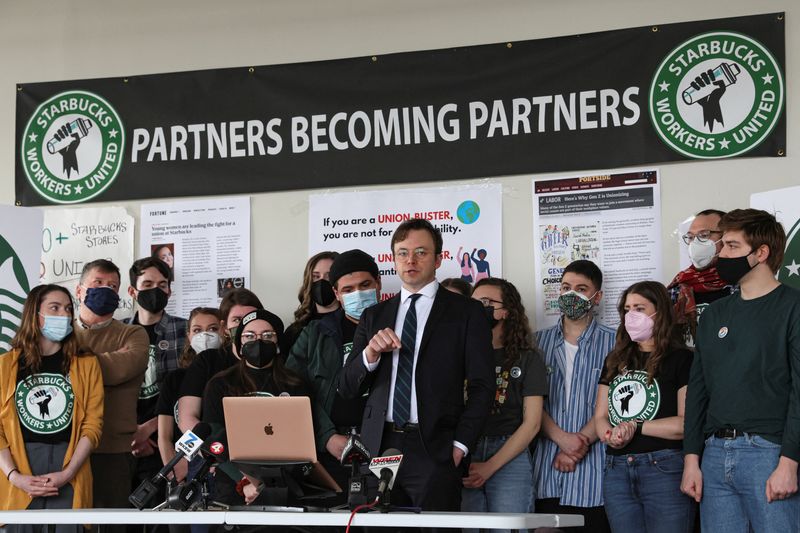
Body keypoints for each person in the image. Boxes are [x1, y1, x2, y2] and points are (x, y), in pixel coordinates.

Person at [339, 218, 494, 514]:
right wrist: (370, 353)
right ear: (393, 259)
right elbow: (346, 386)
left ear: (437, 259)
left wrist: (460, 445)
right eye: (402, 252)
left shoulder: (466, 311)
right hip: (380, 445)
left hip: (436, 447)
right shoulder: (374, 315)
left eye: (421, 252)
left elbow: (483, 386)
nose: (410, 260)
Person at [682, 208, 800, 531]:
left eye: (732, 246)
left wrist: (789, 462)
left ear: (761, 253)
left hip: (769, 453)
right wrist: (691, 458)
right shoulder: (714, 315)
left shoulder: (793, 307)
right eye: (722, 246)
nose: (721, 254)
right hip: (714, 456)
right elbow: (698, 390)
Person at [0, 285, 103, 532]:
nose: (64, 315)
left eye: (68, 309)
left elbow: (93, 425)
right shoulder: (5, 365)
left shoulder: (87, 364)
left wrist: (67, 474)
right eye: (54, 308)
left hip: (70, 467)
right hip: (20, 468)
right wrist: (15, 476)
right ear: (34, 314)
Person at [594, 281, 694, 532]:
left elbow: (685, 424)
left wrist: (635, 426)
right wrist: (610, 434)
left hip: (663, 467)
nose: (631, 316)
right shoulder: (615, 359)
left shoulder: (682, 358)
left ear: (659, 312)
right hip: (616, 469)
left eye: (639, 308)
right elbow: (600, 416)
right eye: (627, 309)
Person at [286, 249, 381, 502]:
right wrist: (326, 436)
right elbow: (291, 391)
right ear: (337, 294)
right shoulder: (315, 333)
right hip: (331, 451)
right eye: (348, 290)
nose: (358, 294)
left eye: (365, 285)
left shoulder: (400, 326)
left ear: (378, 284)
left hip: (385, 447)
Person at [533, 259, 615, 533]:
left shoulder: (616, 343)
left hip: (596, 477)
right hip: (546, 473)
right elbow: (528, 405)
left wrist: (576, 447)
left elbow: (616, 404)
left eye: (581, 289)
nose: (571, 295)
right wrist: (562, 439)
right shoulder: (535, 344)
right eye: (566, 287)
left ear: (597, 296)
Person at [461, 278, 546, 532]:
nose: (479, 308)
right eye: (474, 303)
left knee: (510, 528)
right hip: (466, 450)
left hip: (510, 454)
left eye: (486, 303)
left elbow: (532, 424)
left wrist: (489, 467)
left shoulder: (527, 358)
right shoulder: (460, 355)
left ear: (506, 311)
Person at [202, 309, 310, 507]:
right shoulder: (220, 384)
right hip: (233, 482)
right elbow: (213, 440)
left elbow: (303, 436)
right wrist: (244, 480)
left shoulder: (296, 383)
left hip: (286, 482)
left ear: (278, 344)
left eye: (267, 335)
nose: (258, 341)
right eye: (249, 336)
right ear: (240, 344)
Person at [72, 259, 148, 527]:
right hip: (63, 448)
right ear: (79, 291)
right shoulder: (62, 334)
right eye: (98, 283)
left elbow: (119, 370)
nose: (106, 289)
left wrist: (71, 363)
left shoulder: (133, 334)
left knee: (111, 524)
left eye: (113, 286)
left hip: (112, 450)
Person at [123, 257, 187, 507]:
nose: (156, 291)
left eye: (162, 285)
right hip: (124, 443)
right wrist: (131, 434)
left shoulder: (184, 330)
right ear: (132, 290)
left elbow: (186, 392)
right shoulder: (118, 332)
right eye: (147, 284)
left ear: (170, 290)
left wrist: (150, 429)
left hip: (165, 441)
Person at [156, 308, 221, 488]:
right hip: (183, 464)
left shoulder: (227, 376)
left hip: (220, 460)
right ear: (189, 335)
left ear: (224, 331)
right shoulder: (175, 379)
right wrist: (174, 469)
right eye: (198, 330)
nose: (206, 335)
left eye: (213, 329)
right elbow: (164, 435)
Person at [667, 209, 734, 345]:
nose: (694, 243)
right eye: (691, 237)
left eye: (704, 235)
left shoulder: (741, 284)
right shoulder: (678, 287)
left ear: (726, 237)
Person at [284, 252, 340, 354]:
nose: (322, 281)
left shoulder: (352, 323)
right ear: (308, 281)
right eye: (316, 276)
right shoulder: (295, 331)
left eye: (329, 276)